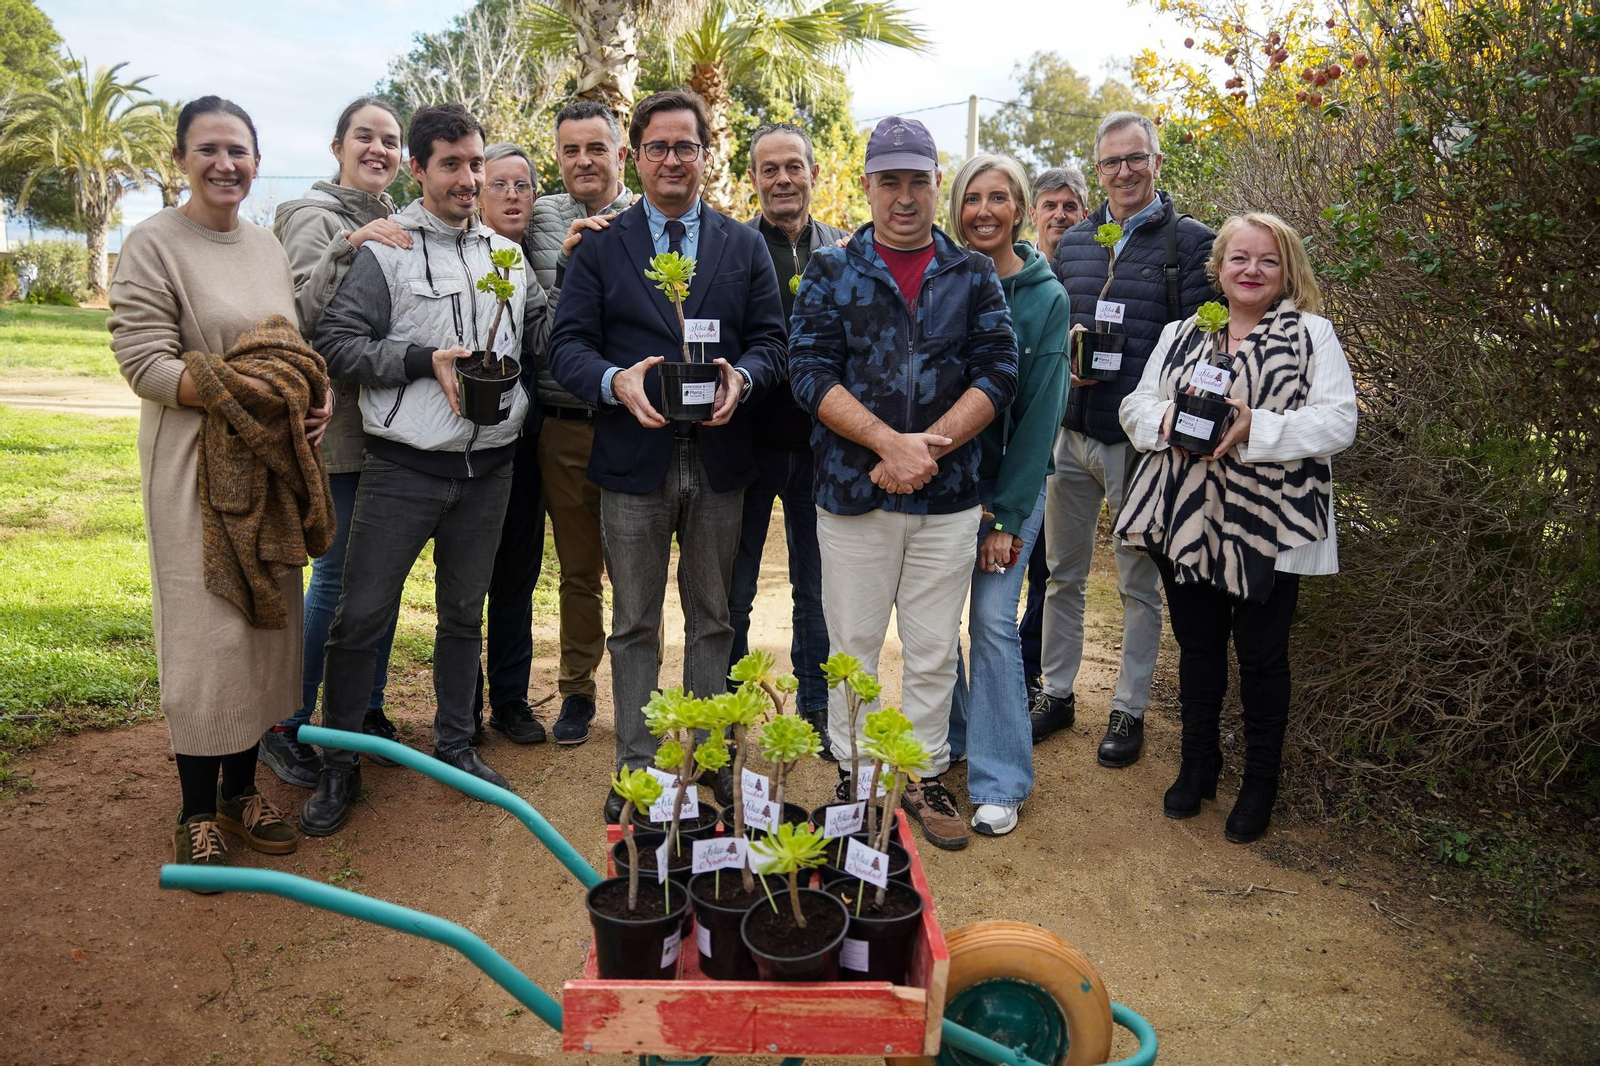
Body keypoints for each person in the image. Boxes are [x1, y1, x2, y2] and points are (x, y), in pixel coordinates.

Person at [302, 103, 551, 836]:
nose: (470, 179)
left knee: (460, 617)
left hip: (491, 468)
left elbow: (543, 329)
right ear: (419, 169)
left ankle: (454, 742)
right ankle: (340, 760)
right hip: (403, 469)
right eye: (452, 164)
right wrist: (421, 359)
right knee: (362, 616)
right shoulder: (389, 250)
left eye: (476, 163)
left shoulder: (507, 257)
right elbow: (337, 343)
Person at [547, 89, 787, 823]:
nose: (672, 160)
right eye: (658, 147)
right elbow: (566, 346)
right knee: (635, 621)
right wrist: (613, 381)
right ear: (636, 156)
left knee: (713, 616)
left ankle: (708, 757)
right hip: (632, 459)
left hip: (719, 460)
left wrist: (742, 380)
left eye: (686, 146)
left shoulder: (741, 246)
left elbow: (773, 342)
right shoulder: (601, 247)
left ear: (705, 157)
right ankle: (639, 769)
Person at [108, 96, 328, 875]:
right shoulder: (154, 243)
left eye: (238, 150)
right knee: (209, 635)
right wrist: (255, 395)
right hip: (194, 468)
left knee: (269, 628)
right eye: (208, 149)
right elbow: (146, 364)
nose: (224, 163)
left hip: (271, 469)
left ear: (257, 162)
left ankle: (244, 793)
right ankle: (196, 812)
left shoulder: (267, 246)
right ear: (181, 160)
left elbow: (290, 349)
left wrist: (314, 400)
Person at [789, 116, 1019, 851]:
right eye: (889, 181)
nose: (905, 196)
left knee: (929, 649)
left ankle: (917, 777)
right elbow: (808, 371)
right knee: (853, 643)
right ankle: (857, 781)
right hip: (855, 495)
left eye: (918, 180)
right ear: (867, 185)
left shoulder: (972, 273)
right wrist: (888, 444)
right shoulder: (831, 268)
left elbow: (1000, 371)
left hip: (947, 502)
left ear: (933, 183)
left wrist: (928, 451)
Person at [1116, 212, 1357, 842]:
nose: (1252, 271)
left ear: (1287, 271)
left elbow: (1340, 422)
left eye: (1268, 261)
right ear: (1218, 267)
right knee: (1197, 648)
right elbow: (1134, 406)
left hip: (1270, 526)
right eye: (1239, 259)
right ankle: (1198, 763)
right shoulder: (1181, 334)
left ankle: (1259, 783)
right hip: (1186, 518)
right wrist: (1171, 420)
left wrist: (1261, 428)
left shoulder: (1313, 335)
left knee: (1262, 656)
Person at [1035, 111, 1216, 767]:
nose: (1123, 172)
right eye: (1110, 162)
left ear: (1156, 162)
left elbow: (1203, 346)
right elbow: (1055, 323)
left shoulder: (1191, 244)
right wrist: (1065, 359)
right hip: (1070, 436)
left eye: (1134, 158)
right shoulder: (1078, 242)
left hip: (1139, 446)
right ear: (1098, 170)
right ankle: (1056, 694)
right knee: (1063, 575)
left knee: (1138, 581)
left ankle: (1128, 707)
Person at [264, 96, 407, 788]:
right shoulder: (312, 218)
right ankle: (287, 723)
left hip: (391, 429)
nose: (378, 149)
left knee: (377, 580)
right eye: (365, 137)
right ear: (337, 144)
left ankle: (365, 710)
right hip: (340, 428)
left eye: (389, 140)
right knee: (336, 580)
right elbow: (296, 318)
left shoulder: (396, 221)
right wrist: (350, 247)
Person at [945, 154, 1071, 838]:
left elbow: (1041, 417)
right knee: (938, 627)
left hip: (1007, 491)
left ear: (1020, 209)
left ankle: (1001, 778)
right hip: (940, 492)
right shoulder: (943, 280)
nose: (984, 210)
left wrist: (1007, 517)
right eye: (972, 198)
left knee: (993, 623)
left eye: (999, 198)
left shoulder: (1046, 299)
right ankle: (963, 739)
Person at [730, 121, 847, 751]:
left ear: (813, 174)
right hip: (745, 447)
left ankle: (816, 706)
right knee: (736, 586)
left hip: (821, 452)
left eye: (793, 167)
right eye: (769, 169)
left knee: (817, 587)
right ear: (754, 179)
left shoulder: (843, 253)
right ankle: (732, 707)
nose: (782, 179)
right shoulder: (731, 248)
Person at [523, 101, 635, 746]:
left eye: (596, 148)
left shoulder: (650, 223)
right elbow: (531, 327)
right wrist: (570, 268)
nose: (583, 161)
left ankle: (635, 688)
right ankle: (577, 690)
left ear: (621, 154)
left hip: (632, 419)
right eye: (570, 150)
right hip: (562, 420)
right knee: (576, 567)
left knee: (635, 567)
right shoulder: (536, 222)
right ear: (558, 158)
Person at [471, 142, 548, 746]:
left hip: (526, 433)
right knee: (469, 573)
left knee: (518, 572)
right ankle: (462, 703)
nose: (513, 196)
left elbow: (551, 333)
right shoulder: (463, 256)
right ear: (478, 191)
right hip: (463, 440)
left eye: (523, 186)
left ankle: (511, 699)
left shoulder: (532, 261)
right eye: (500, 185)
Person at [1016, 165, 1091, 701]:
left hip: (1079, 431)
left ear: (1083, 213)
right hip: (1024, 434)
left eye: (1070, 206)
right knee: (1024, 551)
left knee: (1052, 562)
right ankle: (1019, 661)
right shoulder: (1016, 267)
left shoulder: (1092, 268)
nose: (1060, 215)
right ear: (1034, 213)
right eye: (1051, 205)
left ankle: (1030, 664)